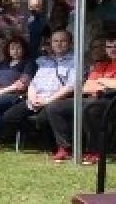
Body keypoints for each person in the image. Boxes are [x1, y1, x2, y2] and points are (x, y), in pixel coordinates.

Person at [1, 29, 77, 158]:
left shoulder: (75, 61)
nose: (59, 44)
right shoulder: (45, 61)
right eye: (55, 41)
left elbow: (71, 86)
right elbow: (33, 83)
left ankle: (56, 147)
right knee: (9, 117)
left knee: (42, 119)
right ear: (51, 43)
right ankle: (36, 138)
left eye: (63, 41)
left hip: (56, 100)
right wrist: (32, 97)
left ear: (70, 43)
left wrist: (47, 101)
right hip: (35, 99)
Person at [48, 34, 116, 165]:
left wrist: (101, 82)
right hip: (95, 99)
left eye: (115, 46)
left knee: (91, 109)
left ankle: (95, 151)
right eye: (109, 46)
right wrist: (106, 84)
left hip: (111, 102)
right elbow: (86, 88)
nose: (112, 49)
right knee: (55, 107)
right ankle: (65, 148)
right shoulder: (101, 65)